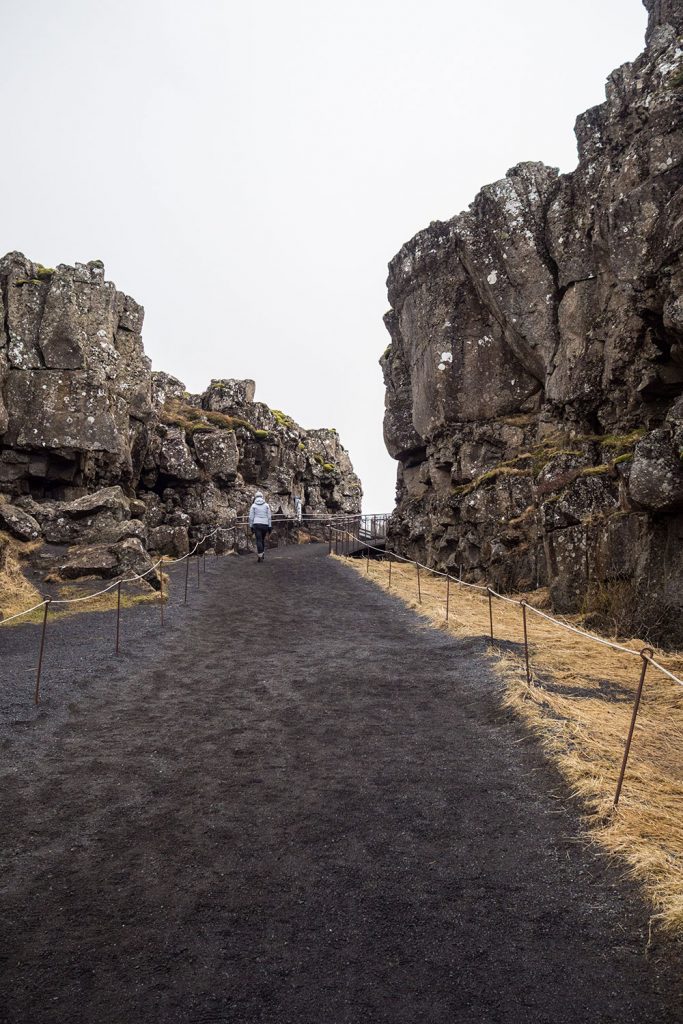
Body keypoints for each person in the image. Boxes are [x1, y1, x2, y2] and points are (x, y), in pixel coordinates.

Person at [248, 490, 272, 562]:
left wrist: (251, 526)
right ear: (262, 497)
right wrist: (270, 526)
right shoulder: (266, 505)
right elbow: (269, 517)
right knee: (262, 539)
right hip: (265, 525)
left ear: (255, 497)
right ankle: (262, 553)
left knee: (258, 540)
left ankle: (260, 556)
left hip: (256, 524)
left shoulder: (253, 505)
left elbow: (251, 517)